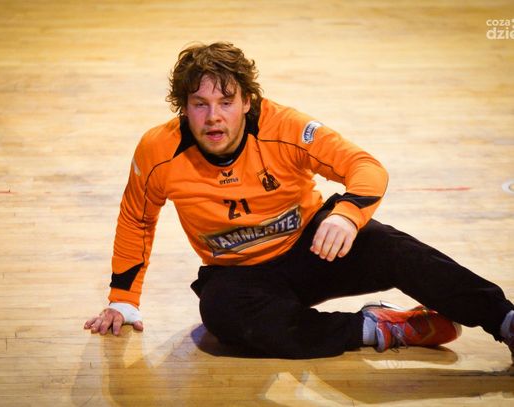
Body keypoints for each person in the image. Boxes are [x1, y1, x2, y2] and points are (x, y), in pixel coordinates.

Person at [84, 42, 514, 361]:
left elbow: (365, 166)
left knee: (392, 248)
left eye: (226, 102)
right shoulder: (158, 151)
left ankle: (505, 320)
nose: (213, 116)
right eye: (200, 104)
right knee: (221, 315)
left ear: (247, 102)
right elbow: (138, 219)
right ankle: (380, 328)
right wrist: (123, 298)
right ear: (183, 108)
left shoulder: (285, 126)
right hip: (240, 275)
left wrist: (346, 215)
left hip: (316, 248)